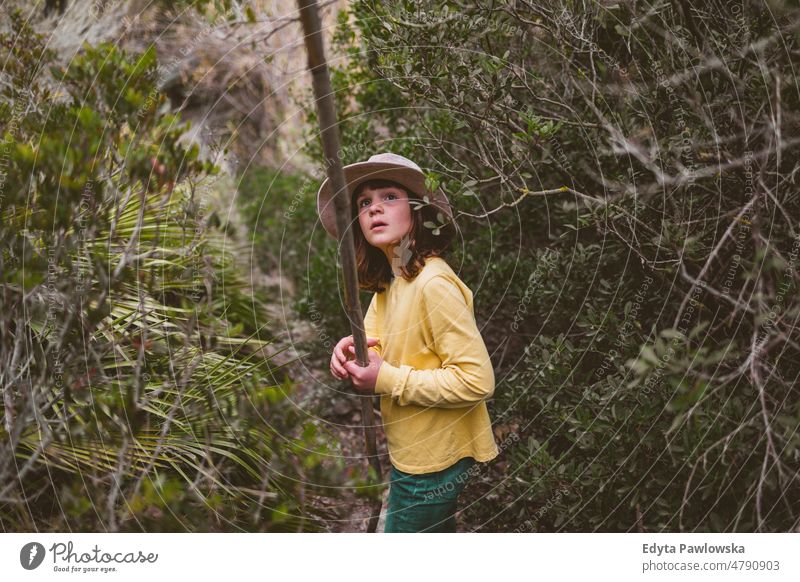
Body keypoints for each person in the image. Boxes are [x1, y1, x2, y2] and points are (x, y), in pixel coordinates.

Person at [317, 152, 499, 533]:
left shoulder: (433, 284)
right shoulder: (391, 285)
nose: (374, 209)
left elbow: (477, 381)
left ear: (418, 212)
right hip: (411, 450)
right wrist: (348, 349)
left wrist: (386, 380)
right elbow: (374, 344)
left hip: (433, 461)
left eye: (388, 197)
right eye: (364, 203)